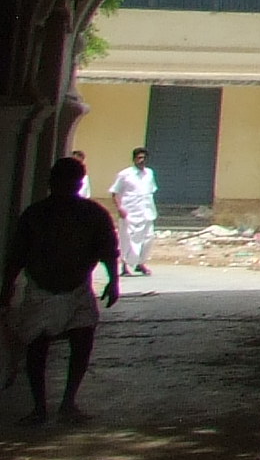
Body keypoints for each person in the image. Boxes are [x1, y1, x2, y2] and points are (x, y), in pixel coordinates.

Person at [6, 156, 123, 425]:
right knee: (53, 346)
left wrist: (113, 281)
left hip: (70, 287)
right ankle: (55, 405)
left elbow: (108, 249)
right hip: (47, 288)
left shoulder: (45, 213)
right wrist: (112, 281)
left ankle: (56, 405)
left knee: (62, 344)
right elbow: (17, 254)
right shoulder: (44, 215)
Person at [108, 147, 159, 277]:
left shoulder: (149, 173)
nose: (142, 160)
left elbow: (151, 190)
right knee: (128, 238)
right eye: (139, 158)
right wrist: (120, 208)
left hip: (147, 211)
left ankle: (140, 263)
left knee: (147, 238)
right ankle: (125, 265)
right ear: (134, 159)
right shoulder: (125, 174)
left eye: (144, 158)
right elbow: (115, 192)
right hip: (130, 211)